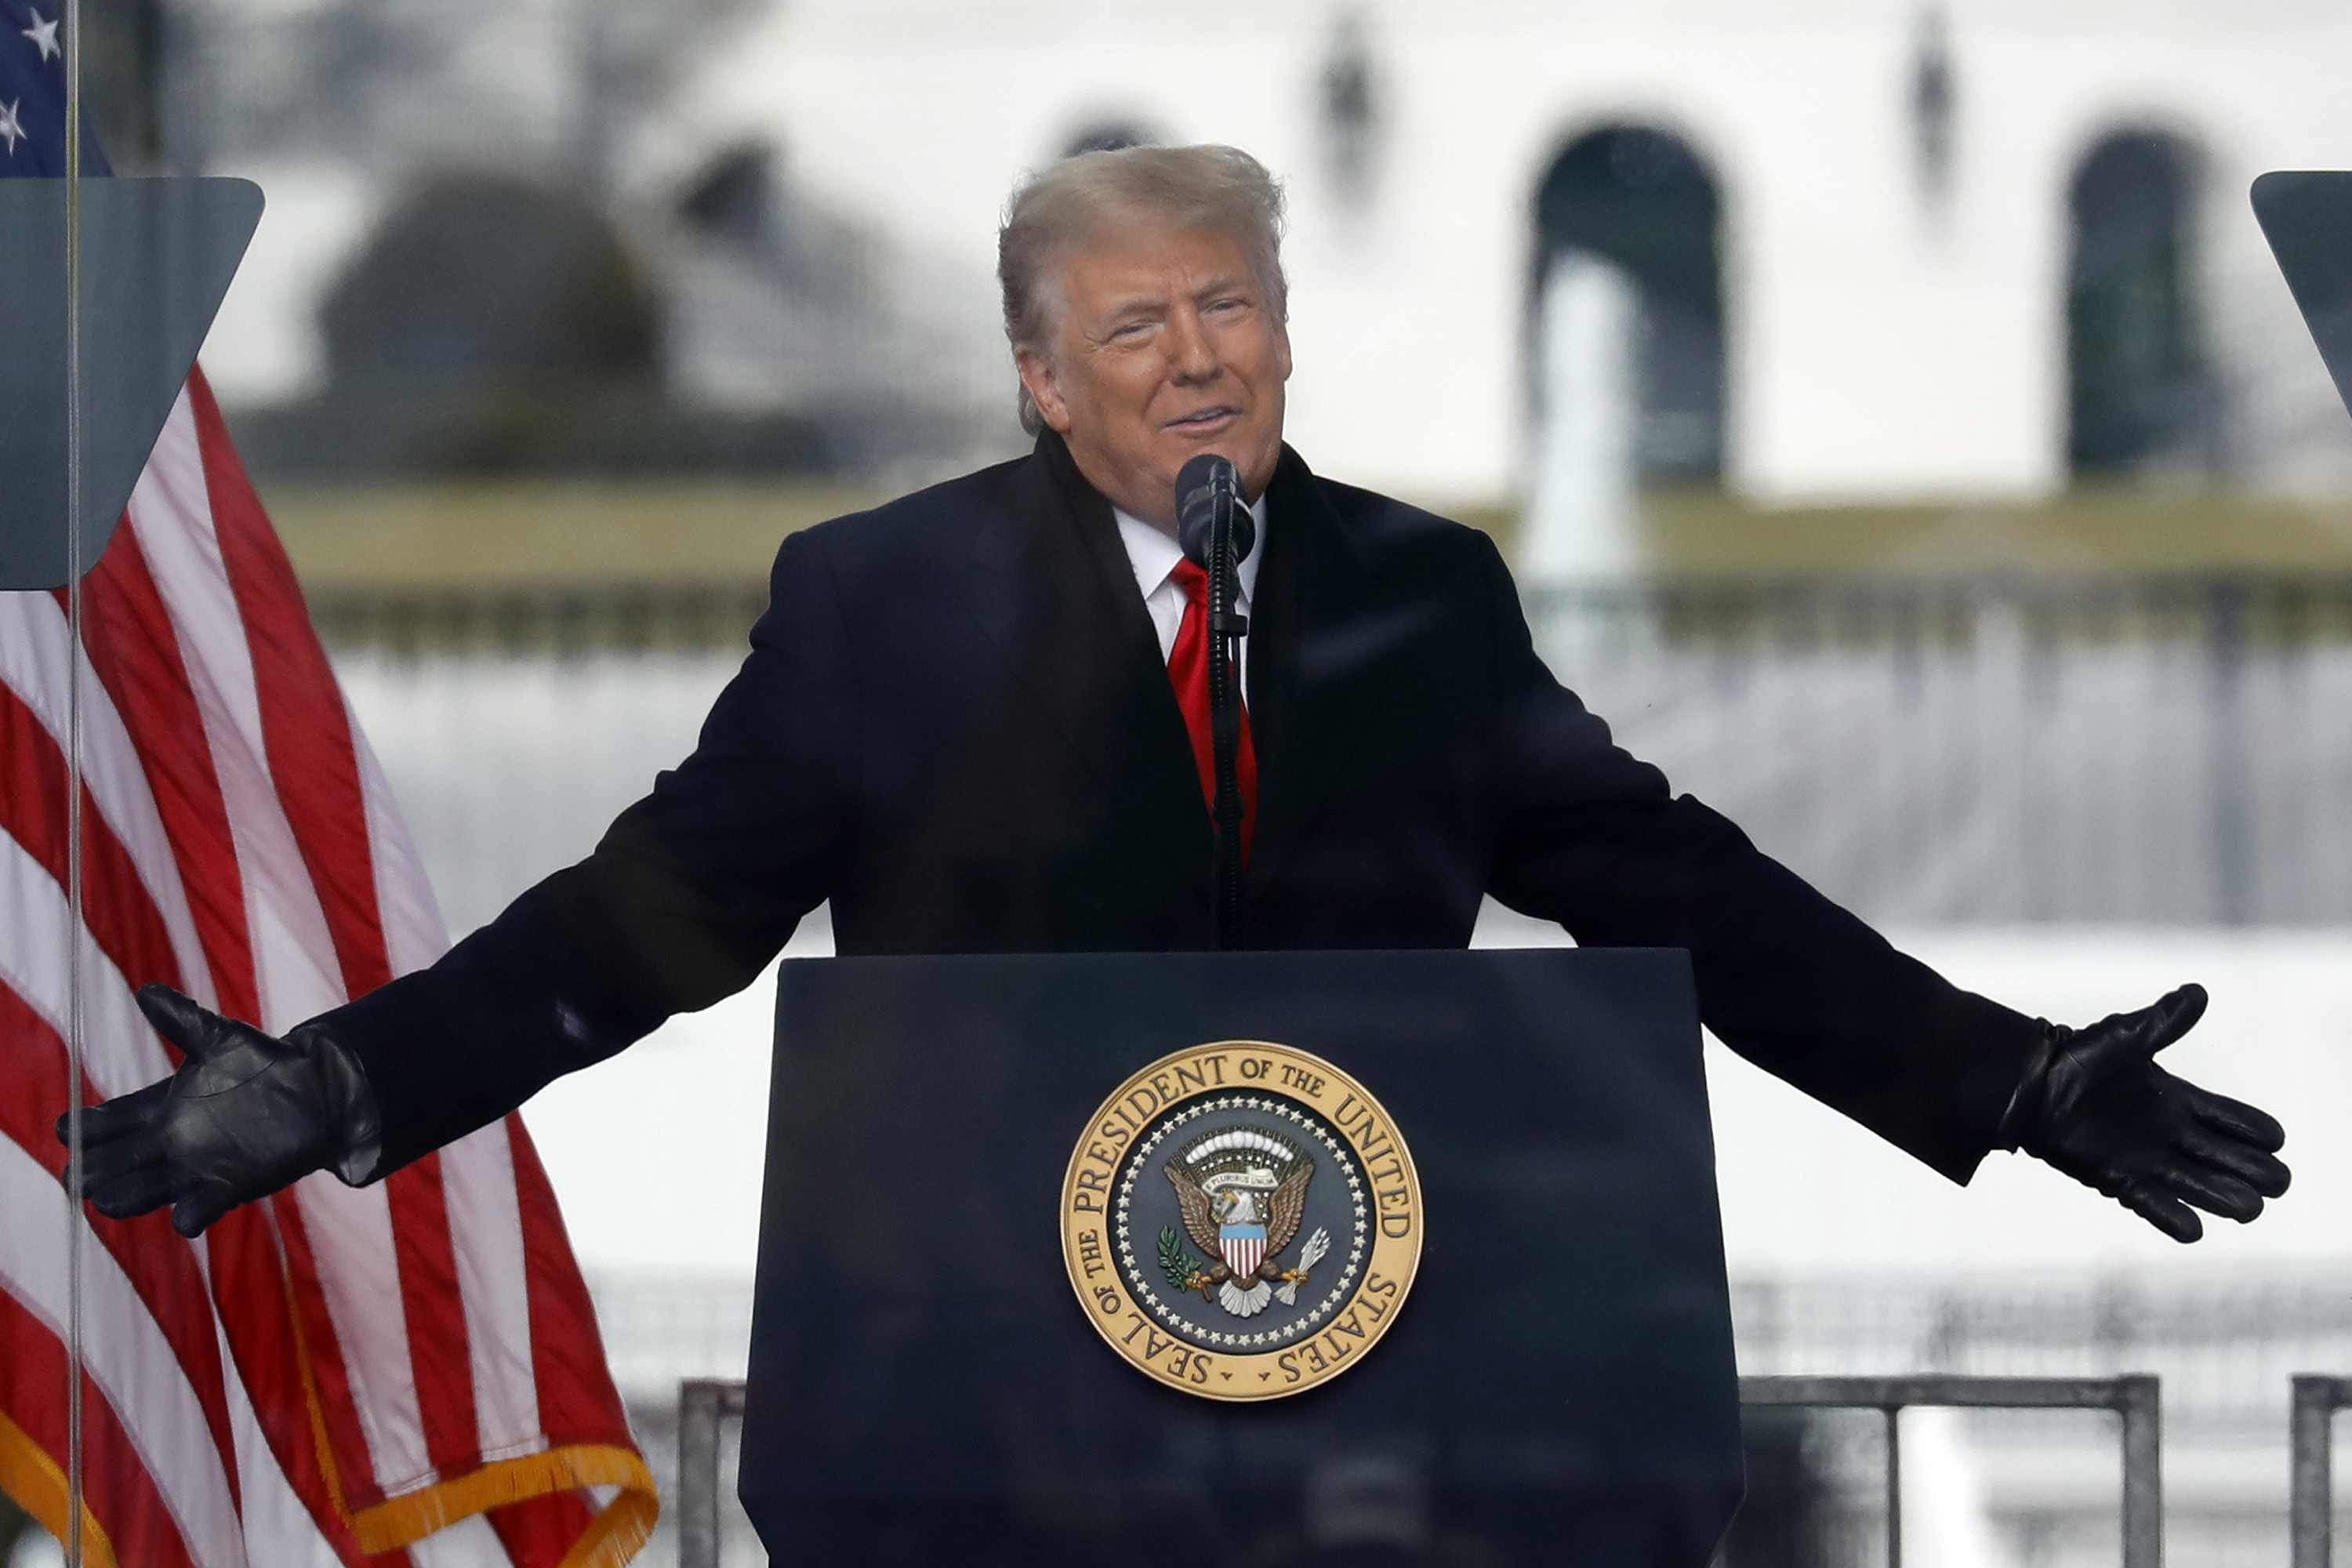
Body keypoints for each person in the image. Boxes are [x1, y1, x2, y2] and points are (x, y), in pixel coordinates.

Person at [66, 144, 2287, 1247]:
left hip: (1375, 1371)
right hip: (981, 1366)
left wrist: (2004, 1081)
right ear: (1039, 377)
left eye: (1229, 307)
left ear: (1289, 332)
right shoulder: (881, 602)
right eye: (1134, 328)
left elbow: (1675, 890)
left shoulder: (1419, 595)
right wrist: (346, 1083)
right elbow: (646, 921)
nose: (1199, 357)